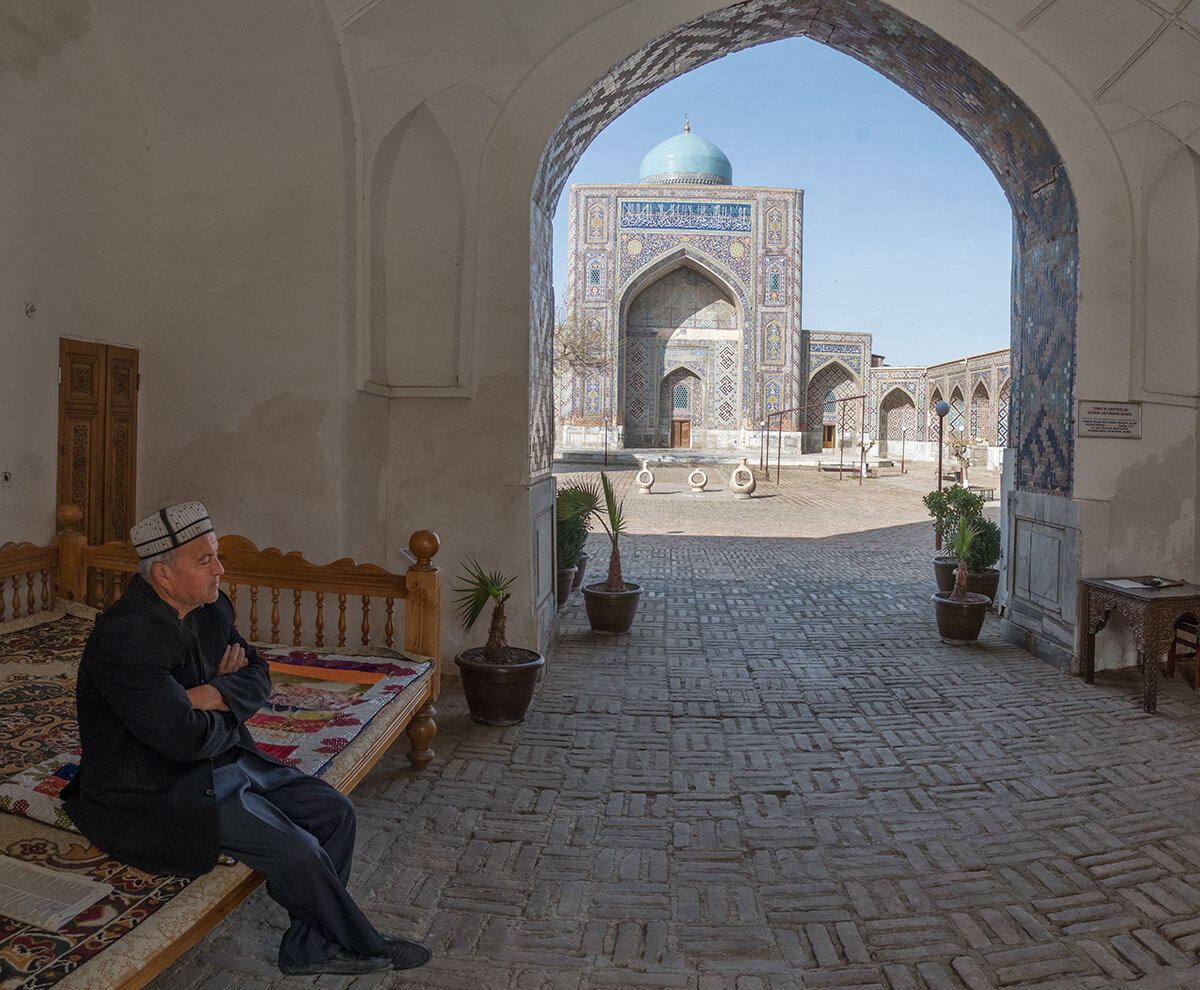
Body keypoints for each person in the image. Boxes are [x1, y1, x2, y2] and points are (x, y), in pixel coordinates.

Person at [62, 501, 432, 977]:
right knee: (298, 850)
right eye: (205, 561)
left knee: (334, 812)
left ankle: (308, 947)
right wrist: (218, 707)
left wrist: (206, 693)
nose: (221, 568)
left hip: (222, 758)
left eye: (216, 555)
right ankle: (363, 943)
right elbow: (183, 743)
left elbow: (258, 675)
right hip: (155, 787)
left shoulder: (210, 606)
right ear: (163, 576)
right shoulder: (125, 637)